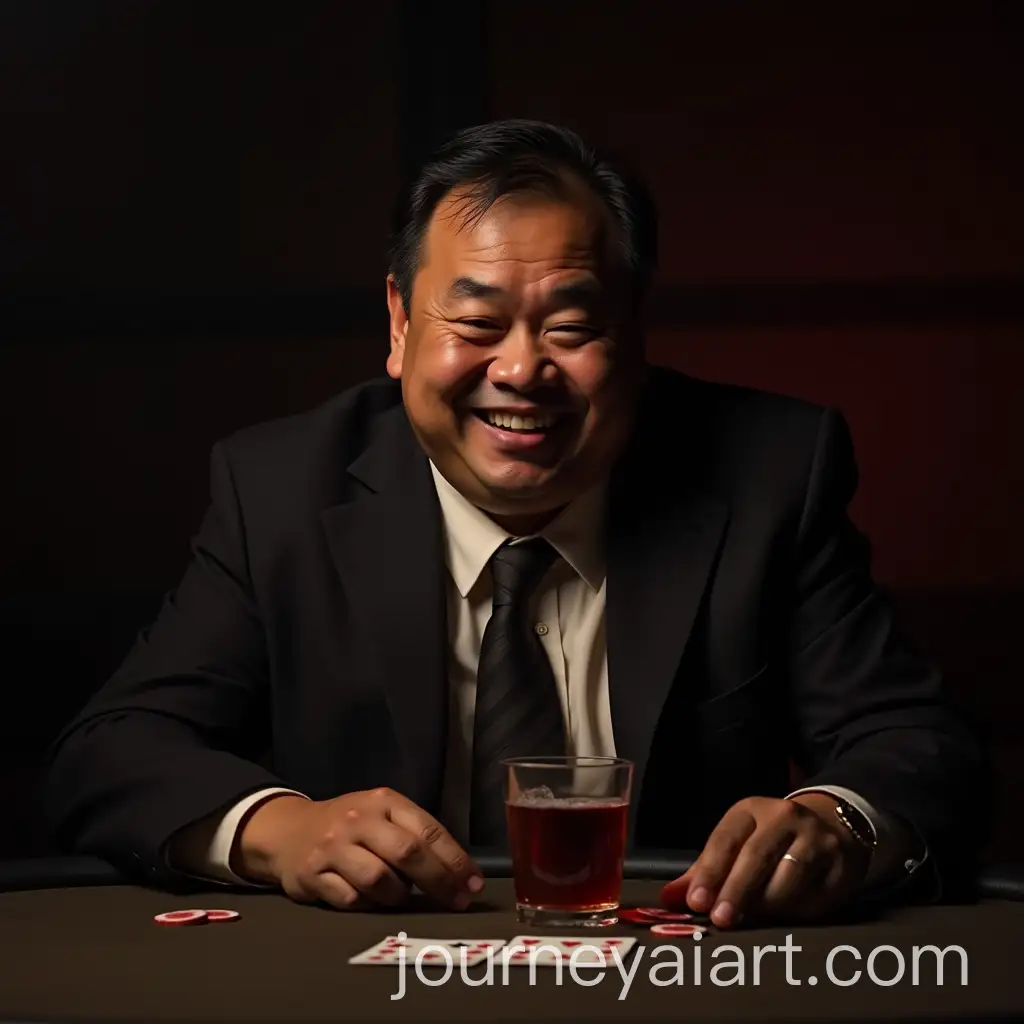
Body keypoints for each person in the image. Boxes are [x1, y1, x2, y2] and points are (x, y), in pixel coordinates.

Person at [45, 119, 986, 929]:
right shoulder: (281, 488)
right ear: (400, 324)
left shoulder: (770, 471)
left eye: (571, 328)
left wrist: (837, 820)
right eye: (476, 324)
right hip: (366, 981)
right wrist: (279, 830)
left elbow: (919, 745)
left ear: (635, 334)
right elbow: (111, 752)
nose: (522, 371)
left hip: (681, 968)